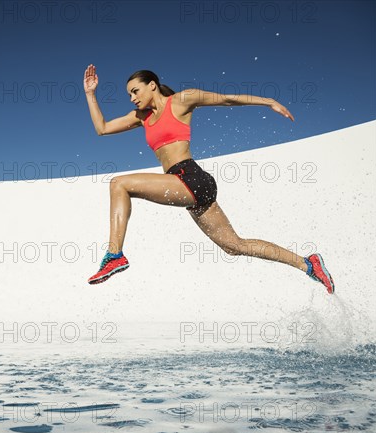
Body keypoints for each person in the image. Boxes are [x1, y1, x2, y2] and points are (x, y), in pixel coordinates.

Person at [83, 64, 335, 293]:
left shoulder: (181, 101)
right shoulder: (141, 118)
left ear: (152, 85)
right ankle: (307, 263)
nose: (132, 98)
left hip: (190, 178)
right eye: (129, 95)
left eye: (135, 91)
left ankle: (114, 254)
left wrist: (267, 101)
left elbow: (226, 99)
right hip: (185, 187)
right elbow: (102, 128)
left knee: (119, 184)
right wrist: (90, 94)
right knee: (234, 246)